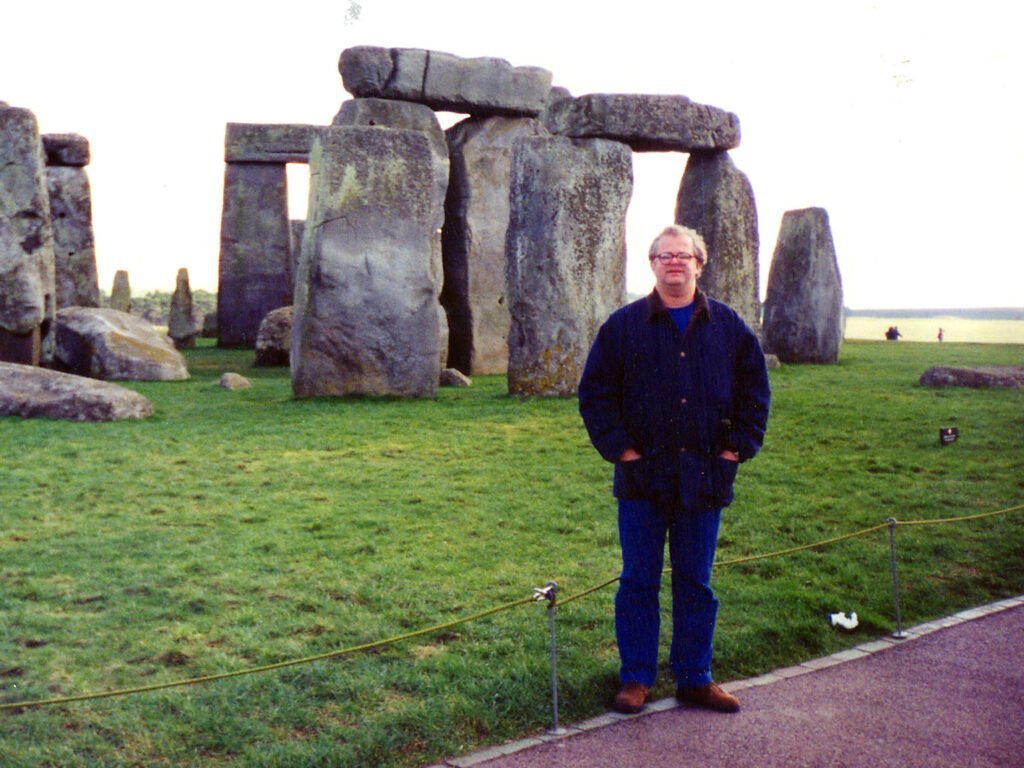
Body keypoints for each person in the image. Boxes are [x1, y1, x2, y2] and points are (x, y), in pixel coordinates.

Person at [578, 224, 771, 715]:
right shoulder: (622, 326)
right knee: (638, 580)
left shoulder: (728, 328)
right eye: (664, 256)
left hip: (705, 477)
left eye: (683, 256)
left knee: (696, 583)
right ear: (653, 264)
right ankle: (636, 678)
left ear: (699, 264)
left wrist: (735, 451)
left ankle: (695, 677)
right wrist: (621, 450)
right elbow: (595, 395)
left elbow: (755, 394)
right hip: (643, 477)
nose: (674, 263)